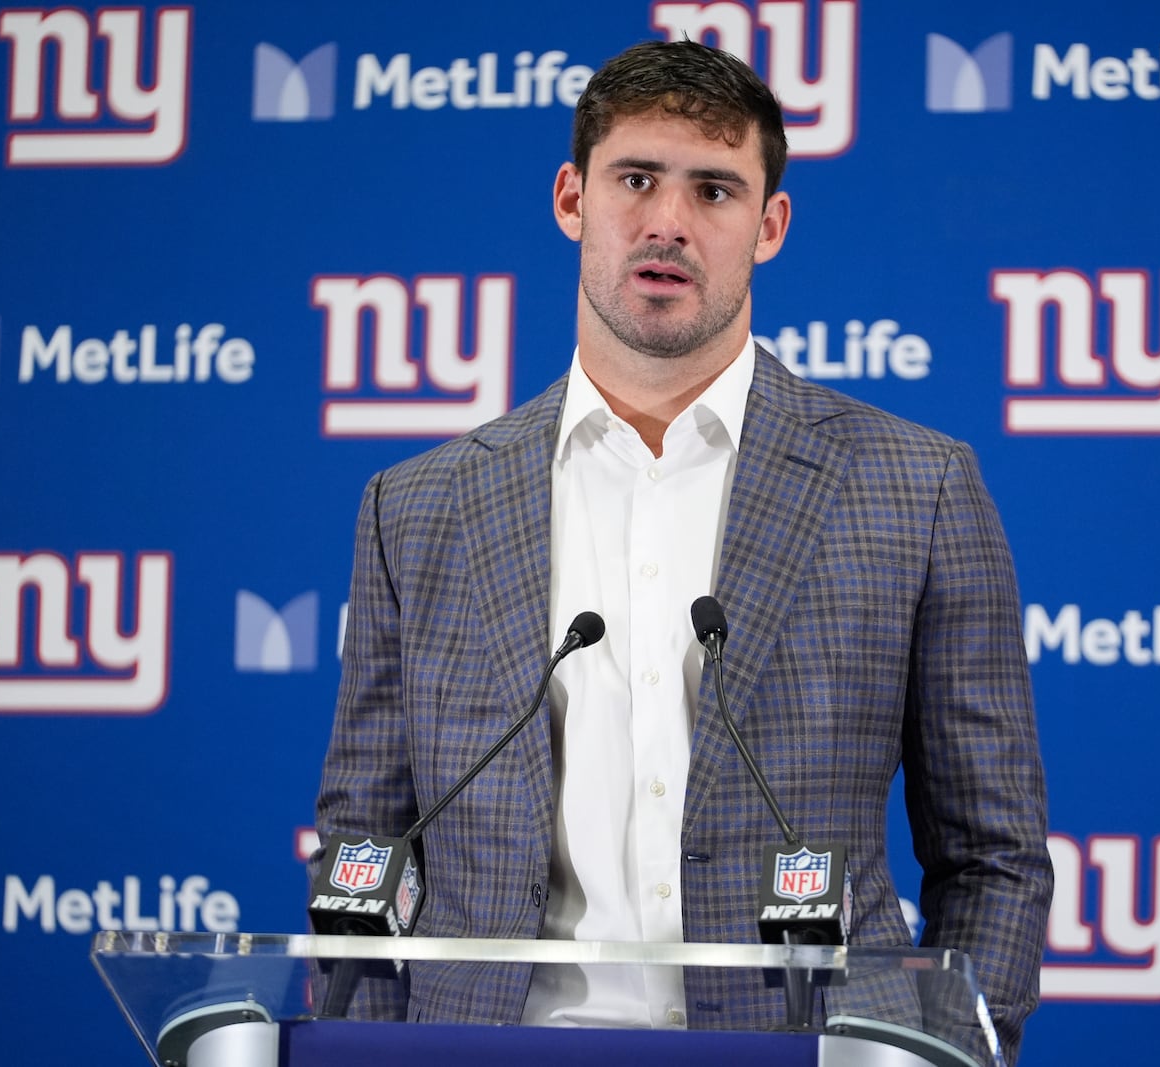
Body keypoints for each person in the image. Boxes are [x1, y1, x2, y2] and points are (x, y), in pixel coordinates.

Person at [315, 38, 1051, 1060]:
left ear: (769, 225)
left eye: (713, 189)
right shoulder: (420, 504)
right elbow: (363, 841)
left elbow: (993, 854)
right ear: (572, 198)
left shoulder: (916, 486)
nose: (667, 221)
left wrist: (949, 1050)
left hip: (810, 1047)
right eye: (635, 179)